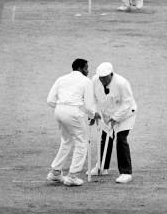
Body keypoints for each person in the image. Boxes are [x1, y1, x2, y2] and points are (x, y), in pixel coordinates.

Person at [46, 58, 96, 187]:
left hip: (59, 111)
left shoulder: (61, 79)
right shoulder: (86, 81)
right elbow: (89, 105)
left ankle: (55, 173)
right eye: (86, 68)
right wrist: (93, 115)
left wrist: (62, 107)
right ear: (80, 68)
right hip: (73, 113)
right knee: (82, 142)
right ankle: (72, 176)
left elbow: (50, 100)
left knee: (66, 140)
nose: (88, 71)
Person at [88, 62, 137, 184]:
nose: (102, 80)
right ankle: (102, 167)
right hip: (107, 114)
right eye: (101, 78)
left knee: (121, 139)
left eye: (105, 78)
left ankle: (126, 173)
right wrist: (94, 112)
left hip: (125, 115)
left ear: (111, 74)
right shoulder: (94, 80)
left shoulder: (122, 83)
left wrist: (115, 118)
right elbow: (92, 98)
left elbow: (127, 103)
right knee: (105, 138)